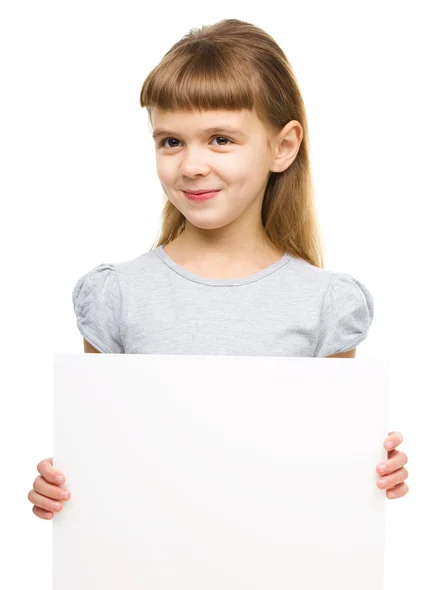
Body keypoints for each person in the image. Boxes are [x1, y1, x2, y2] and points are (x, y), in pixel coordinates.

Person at [27, 18, 409, 521]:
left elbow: (323, 468)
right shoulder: (116, 296)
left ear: (283, 146)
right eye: (170, 141)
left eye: (221, 139)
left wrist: (371, 474)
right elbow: (103, 455)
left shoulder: (326, 305)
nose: (191, 165)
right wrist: (61, 488)